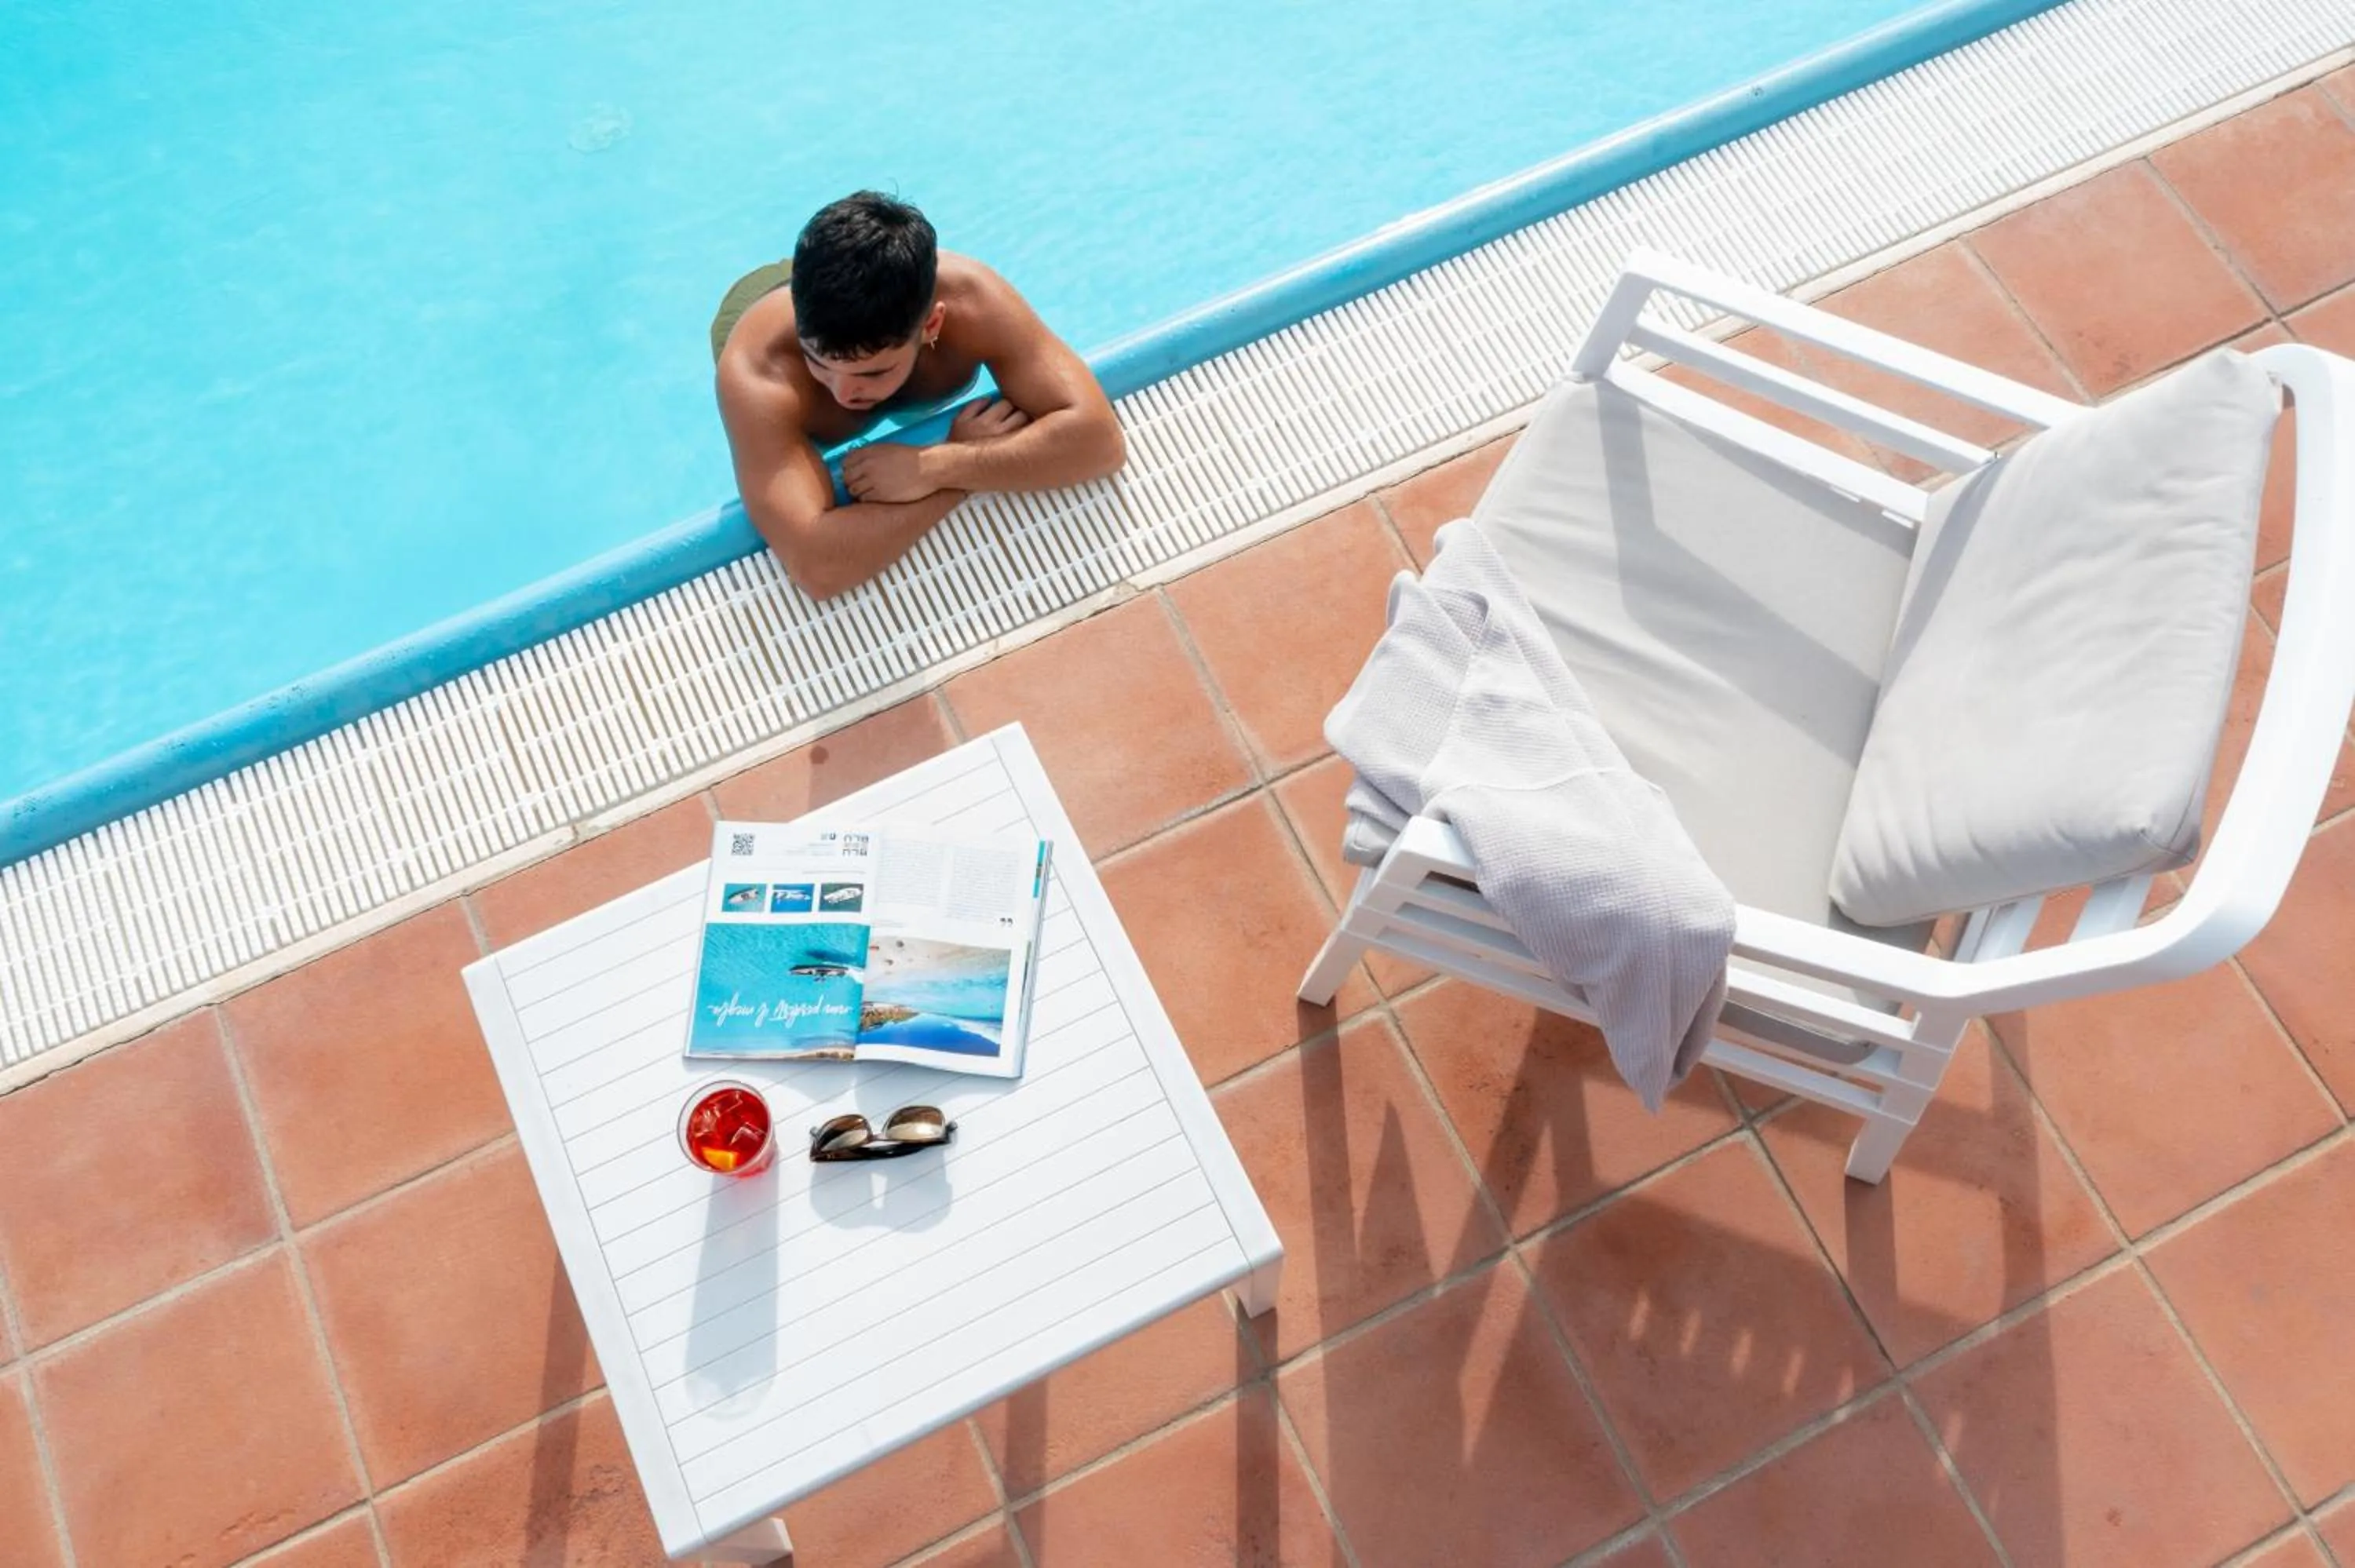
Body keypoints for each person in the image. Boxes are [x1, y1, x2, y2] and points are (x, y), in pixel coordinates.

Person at [713, 191, 1126, 600]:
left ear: (931, 326)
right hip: (778, 301)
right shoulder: (759, 371)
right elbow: (819, 566)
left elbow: (1099, 443)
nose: (842, 393)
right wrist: (956, 475)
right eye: (817, 363)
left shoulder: (974, 303)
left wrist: (939, 465)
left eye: (873, 371)